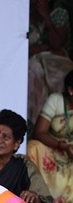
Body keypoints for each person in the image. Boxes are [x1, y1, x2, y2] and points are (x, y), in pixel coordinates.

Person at [27, 69, 73, 203]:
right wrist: (63, 146)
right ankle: (41, 194)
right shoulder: (56, 100)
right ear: (71, 90)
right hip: (56, 147)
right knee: (33, 146)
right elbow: (39, 133)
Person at [28, 0, 73, 128]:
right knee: (34, 71)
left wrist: (46, 17)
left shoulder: (58, 14)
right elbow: (21, 49)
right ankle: (37, 126)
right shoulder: (21, 16)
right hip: (32, 64)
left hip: (56, 62)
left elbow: (57, 44)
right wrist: (44, 47)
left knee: (63, 79)